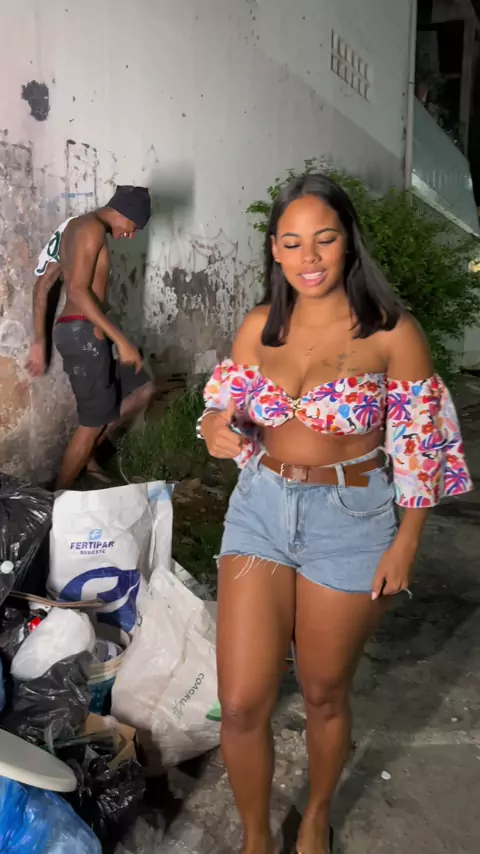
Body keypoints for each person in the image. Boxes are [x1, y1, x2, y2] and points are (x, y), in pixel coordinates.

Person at [197, 173, 472, 854]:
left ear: (348, 241)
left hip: (351, 518)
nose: (309, 257)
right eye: (292, 243)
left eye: (324, 239)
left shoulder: (390, 333)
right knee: (242, 702)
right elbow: (227, 405)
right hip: (261, 509)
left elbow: (421, 445)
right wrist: (213, 426)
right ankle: (256, 839)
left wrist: (407, 540)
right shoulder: (260, 326)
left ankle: (316, 815)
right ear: (274, 249)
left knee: (323, 691)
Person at [26, 186, 155, 490]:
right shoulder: (92, 229)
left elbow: (42, 286)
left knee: (142, 388)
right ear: (122, 213)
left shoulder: (73, 228)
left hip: (79, 331)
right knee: (92, 423)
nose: (129, 235)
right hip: (82, 332)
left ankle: (88, 458)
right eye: (132, 227)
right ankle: (55, 500)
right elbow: (77, 292)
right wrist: (120, 340)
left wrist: (40, 340)